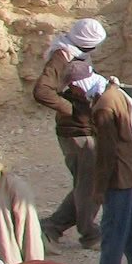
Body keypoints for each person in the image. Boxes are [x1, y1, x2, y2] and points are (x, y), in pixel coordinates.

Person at [33, 18, 106, 248]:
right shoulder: (62, 56)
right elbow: (42, 91)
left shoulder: (76, 54)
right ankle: (89, 233)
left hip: (84, 127)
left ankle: (51, 227)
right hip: (75, 131)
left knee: (88, 182)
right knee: (89, 185)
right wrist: (71, 109)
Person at [82, 68, 132, 264]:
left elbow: (106, 153)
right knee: (129, 224)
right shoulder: (114, 92)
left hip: (116, 175)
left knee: (112, 229)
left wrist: (99, 187)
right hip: (128, 169)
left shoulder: (103, 108)